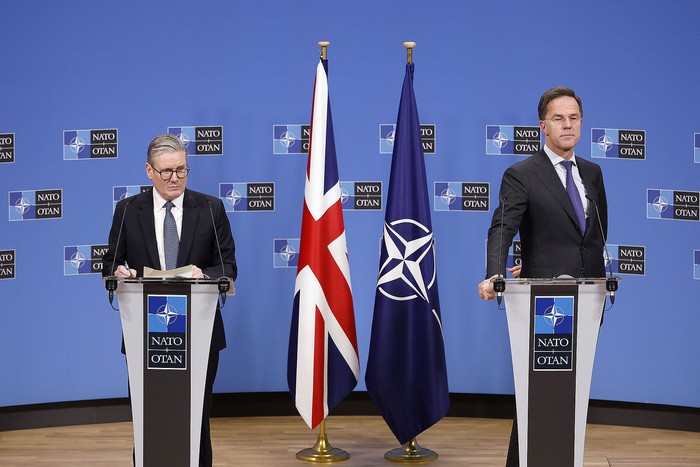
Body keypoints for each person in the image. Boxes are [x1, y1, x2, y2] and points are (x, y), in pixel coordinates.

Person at [477, 87, 608, 465]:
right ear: (543, 127)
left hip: (589, 298)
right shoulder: (521, 174)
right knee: (541, 391)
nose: (567, 125)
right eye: (558, 118)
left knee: (572, 389)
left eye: (573, 118)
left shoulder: (593, 173)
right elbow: (502, 228)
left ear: (581, 123)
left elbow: (595, 236)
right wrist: (495, 274)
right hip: (547, 301)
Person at [102, 133, 237, 467]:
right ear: (149, 171)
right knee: (149, 415)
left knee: (196, 416)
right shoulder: (129, 210)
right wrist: (120, 272)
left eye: (182, 170)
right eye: (166, 172)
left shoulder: (209, 207)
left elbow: (228, 265)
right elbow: (110, 264)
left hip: (200, 332)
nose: (175, 178)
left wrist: (205, 276)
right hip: (146, 335)